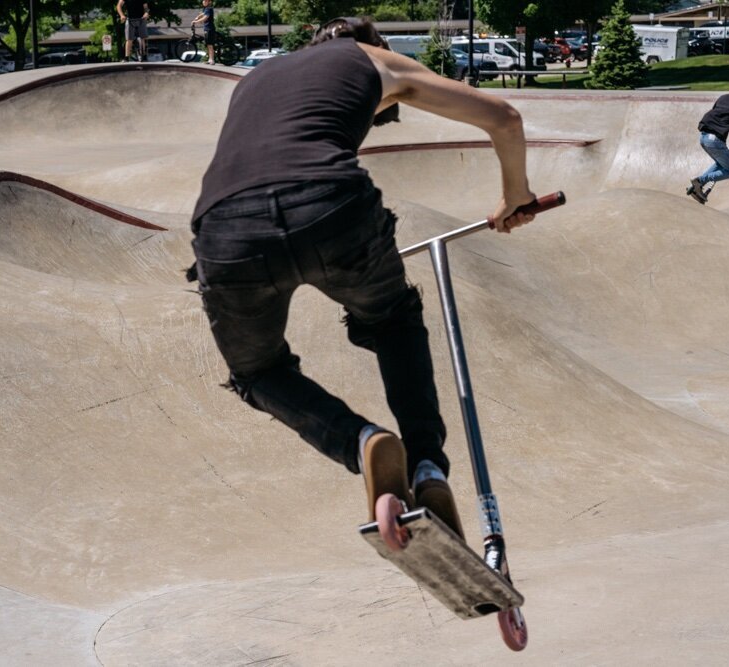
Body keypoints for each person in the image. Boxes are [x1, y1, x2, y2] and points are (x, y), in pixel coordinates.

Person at [188, 17, 538, 537]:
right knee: (393, 320)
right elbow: (503, 116)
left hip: (225, 232)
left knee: (258, 373)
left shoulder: (258, 78)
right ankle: (425, 464)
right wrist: (515, 194)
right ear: (374, 44)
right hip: (330, 206)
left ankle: (363, 442)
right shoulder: (369, 57)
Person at [191, 0, 216, 66]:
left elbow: (205, 17)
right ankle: (209, 59)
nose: (203, 2)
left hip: (209, 29)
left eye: (205, 1)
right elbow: (203, 14)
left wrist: (196, 22)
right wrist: (196, 18)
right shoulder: (206, 9)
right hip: (207, 29)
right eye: (203, 1)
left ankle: (212, 60)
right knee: (208, 44)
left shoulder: (209, 9)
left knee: (210, 45)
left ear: (209, 2)